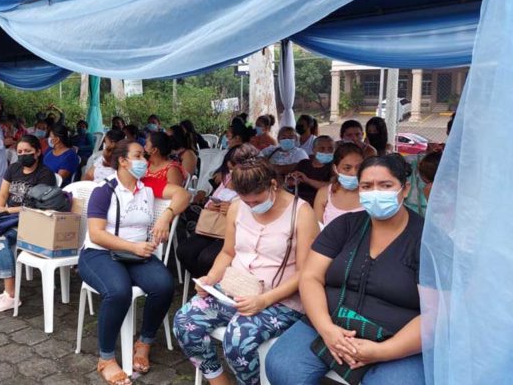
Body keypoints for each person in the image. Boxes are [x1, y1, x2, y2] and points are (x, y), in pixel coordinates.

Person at [266, 154, 424, 385]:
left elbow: (436, 314)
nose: (375, 193)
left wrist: (384, 351)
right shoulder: (345, 226)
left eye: (386, 185)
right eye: (367, 186)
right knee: (282, 367)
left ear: (405, 189)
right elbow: (310, 277)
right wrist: (326, 328)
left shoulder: (427, 240)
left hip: (397, 336)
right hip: (332, 320)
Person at [173, 144, 319, 385]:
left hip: (281, 298)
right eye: (245, 201)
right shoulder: (238, 208)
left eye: (256, 201)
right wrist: (210, 279)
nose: (251, 207)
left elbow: (306, 273)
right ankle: (219, 380)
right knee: (184, 323)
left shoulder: (301, 213)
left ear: (274, 184)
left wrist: (264, 300)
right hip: (235, 288)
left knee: (238, 340)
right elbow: (228, 252)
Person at [79, 139, 190, 385]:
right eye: (138, 156)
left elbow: (183, 194)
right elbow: (96, 234)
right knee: (118, 292)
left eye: (144, 156)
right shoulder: (104, 190)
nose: (145, 161)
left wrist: (166, 217)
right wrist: (133, 246)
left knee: (163, 285)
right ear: (123, 161)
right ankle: (106, 358)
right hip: (99, 253)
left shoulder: (148, 185)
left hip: (136, 255)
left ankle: (144, 342)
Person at [0, 135, 56, 312]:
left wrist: (6, 211)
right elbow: (3, 194)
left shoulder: (45, 174)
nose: (23, 155)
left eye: (28, 152)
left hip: (31, 220)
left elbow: (35, 207)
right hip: (7, 218)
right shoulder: (14, 168)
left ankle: (11, 295)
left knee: (0, 240)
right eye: (20, 152)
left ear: (38, 152)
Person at [175, 147, 240, 279]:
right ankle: (203, 282)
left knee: (207, 258)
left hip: (236, 233)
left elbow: (255, 212)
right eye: (230, 168)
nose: (232, 172)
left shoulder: (254, 185)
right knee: (185, 250)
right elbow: (208, 203)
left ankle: (212, 285)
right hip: (214, 228)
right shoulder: (227, 178)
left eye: (234, 168)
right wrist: (212, 206)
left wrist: (234, 209)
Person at [313, 143, 365, 227]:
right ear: (335, 169)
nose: (354, 173)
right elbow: (316, 230)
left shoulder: (370, 194)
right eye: (347, 168)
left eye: (359, 167)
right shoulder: (324, 194)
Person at [288, 135, 335, 206]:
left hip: (319, 205)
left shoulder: (334, 167)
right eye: (322, 149)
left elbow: (331, 187)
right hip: (297, 203)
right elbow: (289, 182)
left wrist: (307, 180)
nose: (326, 152)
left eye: (330, 149)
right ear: (313, 150)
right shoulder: (303, 163)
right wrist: (292, 181)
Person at [142, 131, 185, 197]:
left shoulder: (172, 170)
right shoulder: (145, 165)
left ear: (154, 150)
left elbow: (175, 195)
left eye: (146, 145)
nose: (144, 147)